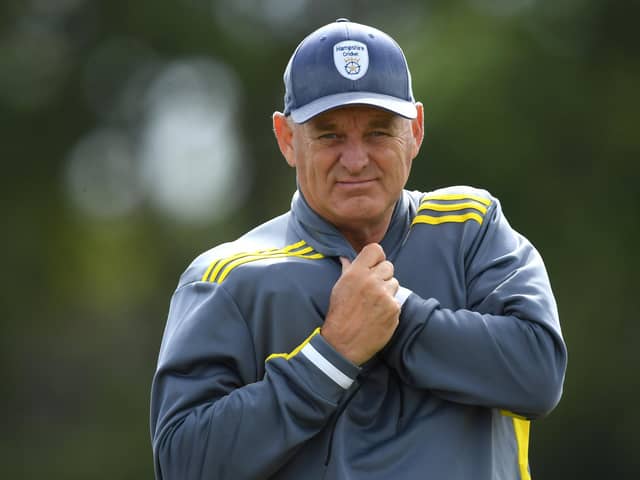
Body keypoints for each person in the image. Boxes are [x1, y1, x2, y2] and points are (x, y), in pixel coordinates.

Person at [150, 18, 567, 480]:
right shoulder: (226, 277)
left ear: (416, 131)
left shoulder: (470, 225)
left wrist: (400, 318)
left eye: (378, 132)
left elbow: (539, 374)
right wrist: (332, 354)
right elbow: (182, 463)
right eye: (329, 135)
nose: (355, 159)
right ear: (287, 139)